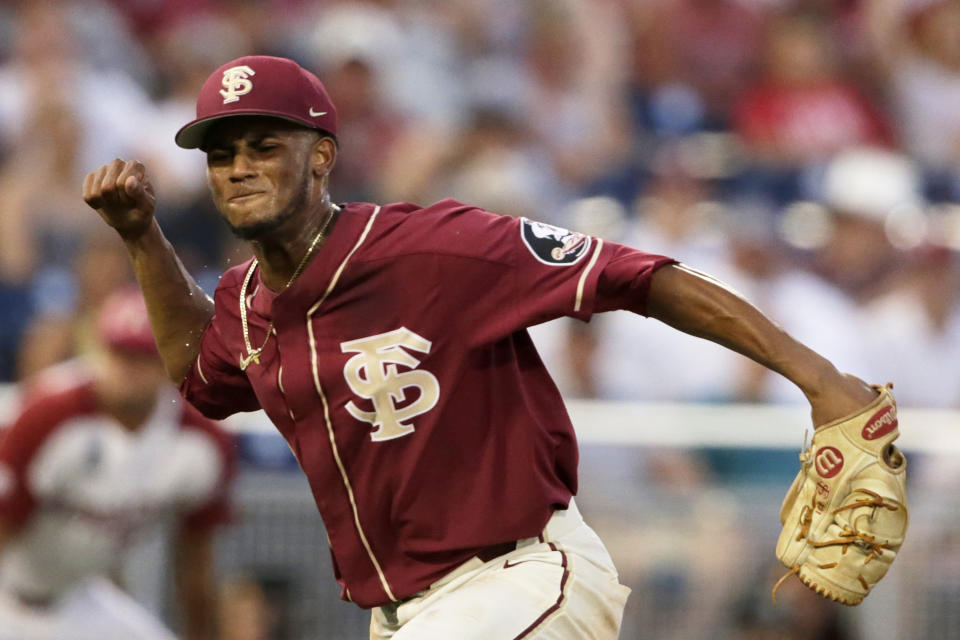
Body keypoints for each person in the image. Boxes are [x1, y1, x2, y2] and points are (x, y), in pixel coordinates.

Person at [82, 55, 878, 639]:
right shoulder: (246, 304)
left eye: (264, 145)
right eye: (221, 153)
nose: (239, 168)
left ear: (321, 156)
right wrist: (141, 235)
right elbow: (200, 378)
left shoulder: (436, 249)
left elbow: (640, 277)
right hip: (403, 614)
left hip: (522, 576)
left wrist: (819, 377)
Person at [0, 289, 235, 640]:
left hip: (77, 597)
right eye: (117, 352)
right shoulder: (49, 413)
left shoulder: (199, 443)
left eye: (141, 356)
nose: (126, 369)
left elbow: (196, 564)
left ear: (166, 361)